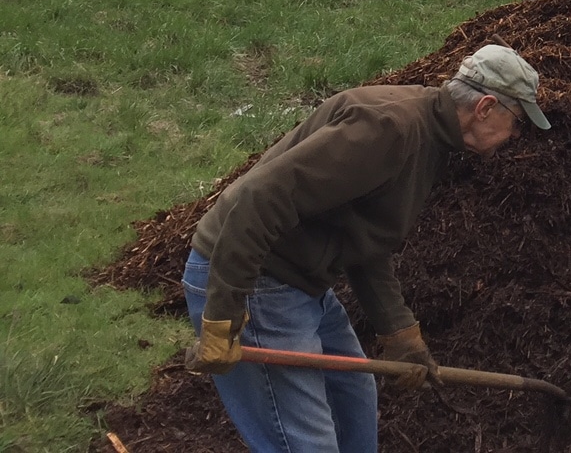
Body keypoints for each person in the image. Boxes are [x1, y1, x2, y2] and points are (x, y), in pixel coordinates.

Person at [183, 44, 550, 452]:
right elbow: (259, 200)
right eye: (516, 122)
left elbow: (363, 235)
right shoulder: (388, 129)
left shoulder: (430, 138)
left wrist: (401, 335)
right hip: (255, 281)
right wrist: (223, 315)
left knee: (354, 397)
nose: (515, 135)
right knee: (308, 444)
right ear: (485, 107)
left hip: (301, 284)